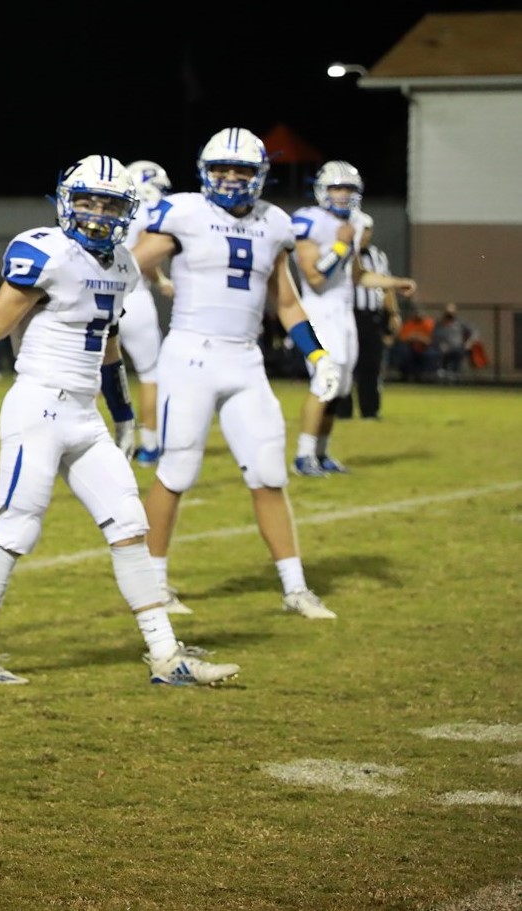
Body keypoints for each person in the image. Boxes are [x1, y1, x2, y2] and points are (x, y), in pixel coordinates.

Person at [0, 154, 239, 687]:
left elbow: (109, 345)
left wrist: (123, 415)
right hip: (38, 407)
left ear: (125, 211)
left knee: (130, 525)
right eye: (88, 201)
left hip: (83, 414)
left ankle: (166, 655)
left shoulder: (122, 265)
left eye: (109, 204)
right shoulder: (46, 254)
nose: (97, 214)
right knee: (18, 530)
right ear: (66, 202)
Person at [129, 128, 342, 620]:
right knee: (176, 471)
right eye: (220, 169)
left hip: (245, 359)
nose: (229, 178)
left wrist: (318, 356)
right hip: (190, 354)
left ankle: (295, 588)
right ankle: (154, 586)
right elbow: (130, 264)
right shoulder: (183, 213)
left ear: (258, 174)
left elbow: (287, 302)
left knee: (268, 473)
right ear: (205, 172)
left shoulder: (275, 223)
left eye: (240, 169)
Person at [287, 162, 415, 475]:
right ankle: (303, 455)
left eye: (349, 189)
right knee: (325, 381)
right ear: (322, 190)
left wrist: (394, 282)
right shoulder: (310, 221)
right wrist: (341, 244)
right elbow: (315, 277)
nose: (343, 194)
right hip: (319, 310)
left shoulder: (355, 222)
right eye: (336, 188)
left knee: (341, 387)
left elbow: (357, 276)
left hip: (343, 313)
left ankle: (321, 452)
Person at [117, 159, 173, 467]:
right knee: (151, 375)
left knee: (92, 375)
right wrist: (162, 280)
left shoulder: (113, 206)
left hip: (101, 296)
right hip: (134, 298)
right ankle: (150, 445)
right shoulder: (149, 212)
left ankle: (91, 443)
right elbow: (145, 257)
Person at [343, 213, 405, 419]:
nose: (364, 234)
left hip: (371, 317)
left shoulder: (378, 256)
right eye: (361, 230)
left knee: (372, 365)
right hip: (347, 314)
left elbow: (386, 288)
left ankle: (370, 410)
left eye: (367, 230)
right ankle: (342, 411)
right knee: (345, 363)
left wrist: (393, 313)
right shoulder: (341, 252)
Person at [432, 302, 480, 381]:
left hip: (457, 347)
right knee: (434, 352)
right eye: (447, 312)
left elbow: (474, 332)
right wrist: (440, 344)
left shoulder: (460, 323)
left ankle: (453, 373)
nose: (449, 315)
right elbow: (434, 336)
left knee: (457, 352)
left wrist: (469, 343)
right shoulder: (439, 324)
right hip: (441, 348)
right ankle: (442, 371)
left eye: (451, 312)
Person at [392, 303, 439, 382]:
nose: (418, 315)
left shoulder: (429, 323)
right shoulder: (409, 323)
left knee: (432, 354)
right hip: (410, 347)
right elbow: (402, 338)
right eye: (416, 313)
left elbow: (432, 339)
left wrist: (421, 338)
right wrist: (412, 337)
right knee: (403, 351)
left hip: (425, 347)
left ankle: (426, 376)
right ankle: (406, 375)